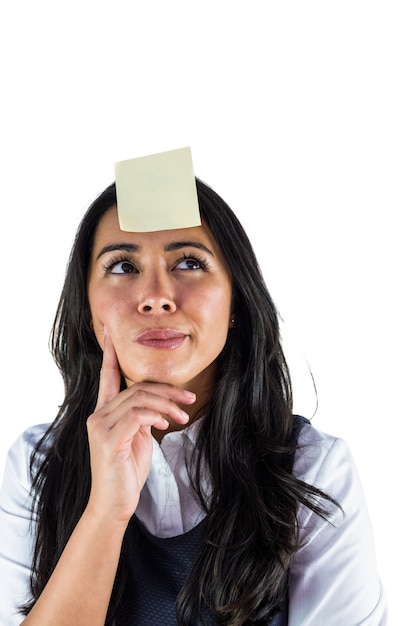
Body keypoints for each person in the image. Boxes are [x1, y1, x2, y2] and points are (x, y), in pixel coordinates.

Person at [0, 177, 387, 625]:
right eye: (123, 267)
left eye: (188, 262)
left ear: (235, 300)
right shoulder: (37, 464)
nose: (156, 297)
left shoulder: (312, 469)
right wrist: (106, 509)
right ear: (88, 311)